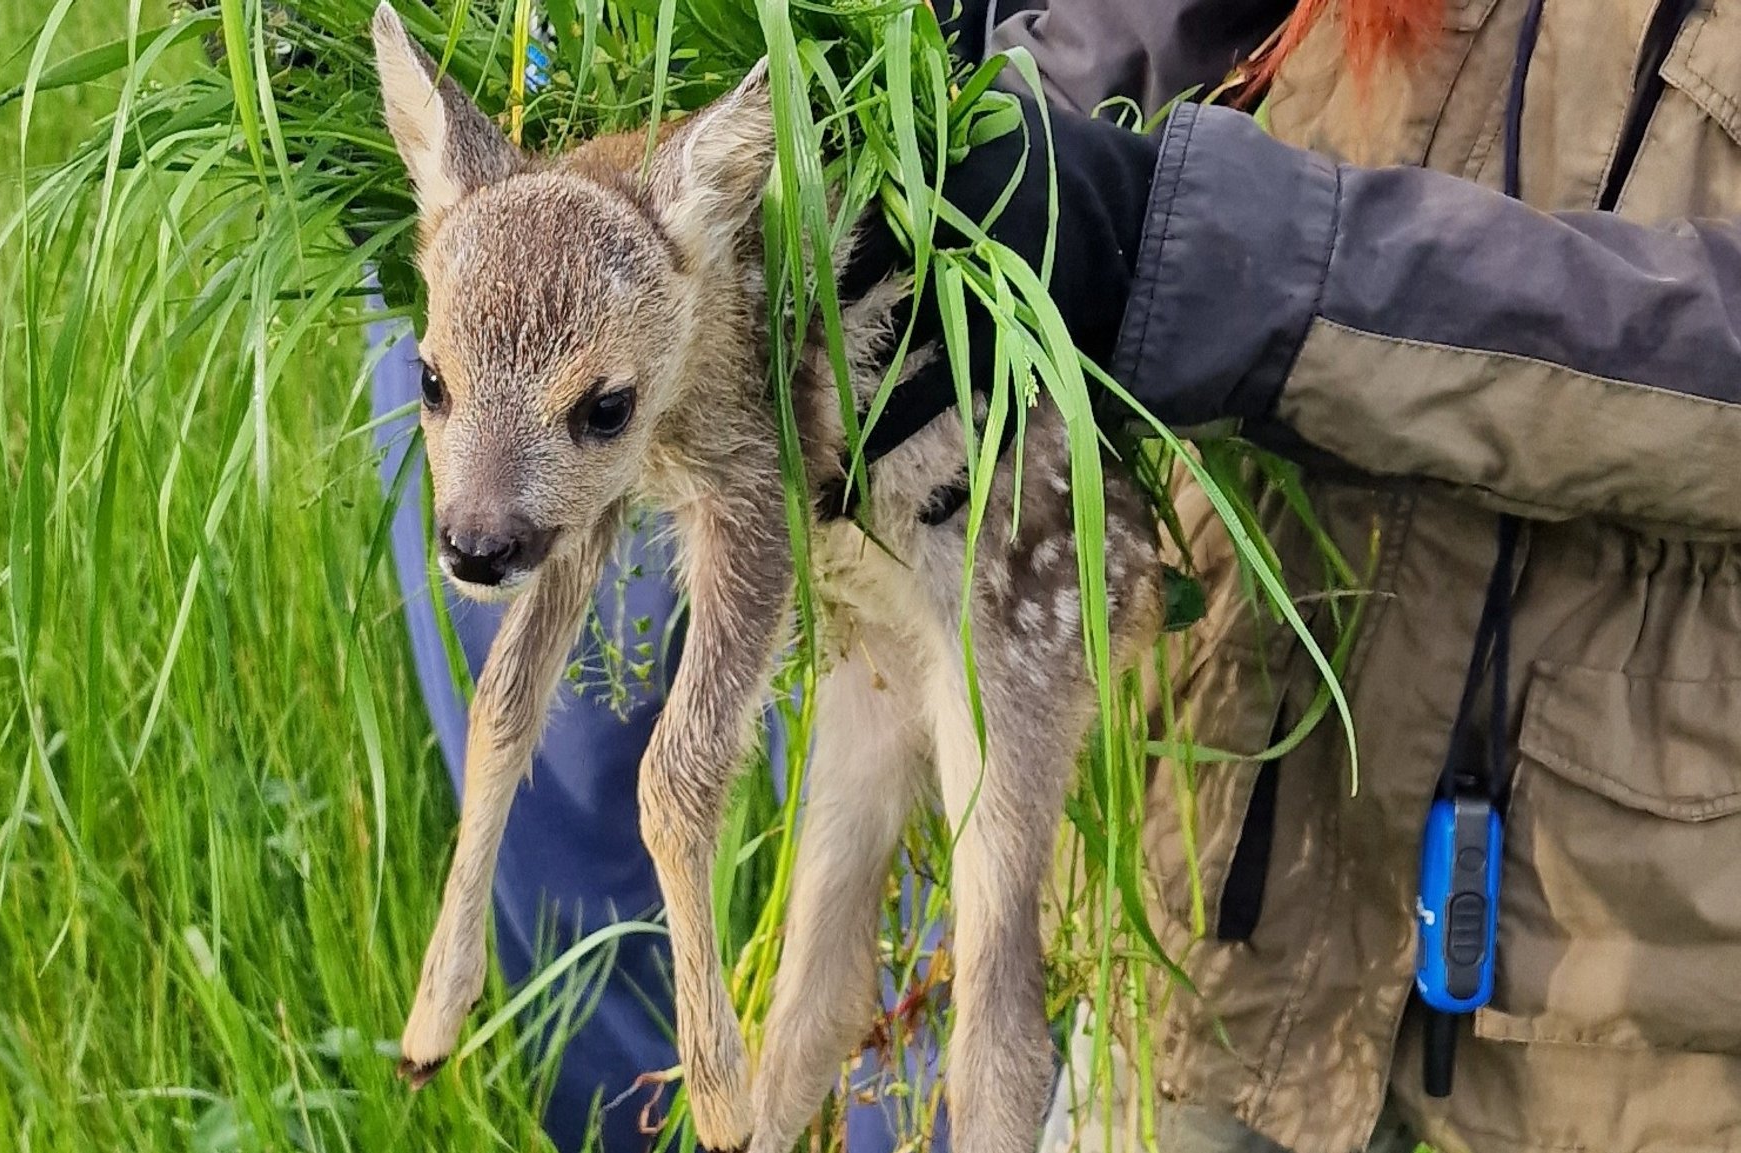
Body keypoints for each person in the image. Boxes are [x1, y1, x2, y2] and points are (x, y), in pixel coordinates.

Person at [378, 0, 1741, 1150]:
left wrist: (1202, 250)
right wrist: (972, 165)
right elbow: (1112, 50)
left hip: (1631, 999)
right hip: (1239, 896)